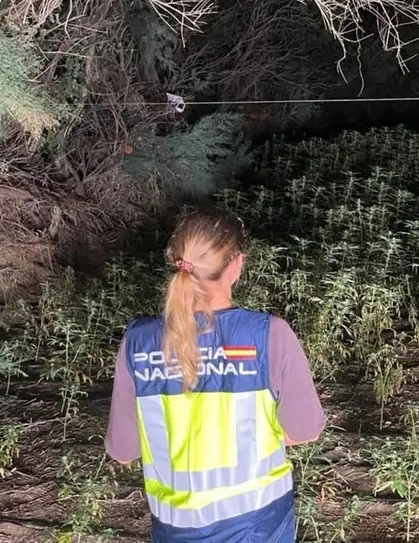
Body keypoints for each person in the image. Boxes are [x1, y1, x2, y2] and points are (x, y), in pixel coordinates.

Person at [104, 207, 326, 542]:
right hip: (260, 528)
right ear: (236, 264)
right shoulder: (269, 335)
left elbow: (123, 450)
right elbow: (305, 430)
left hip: (174, 532)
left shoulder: (138, 341)